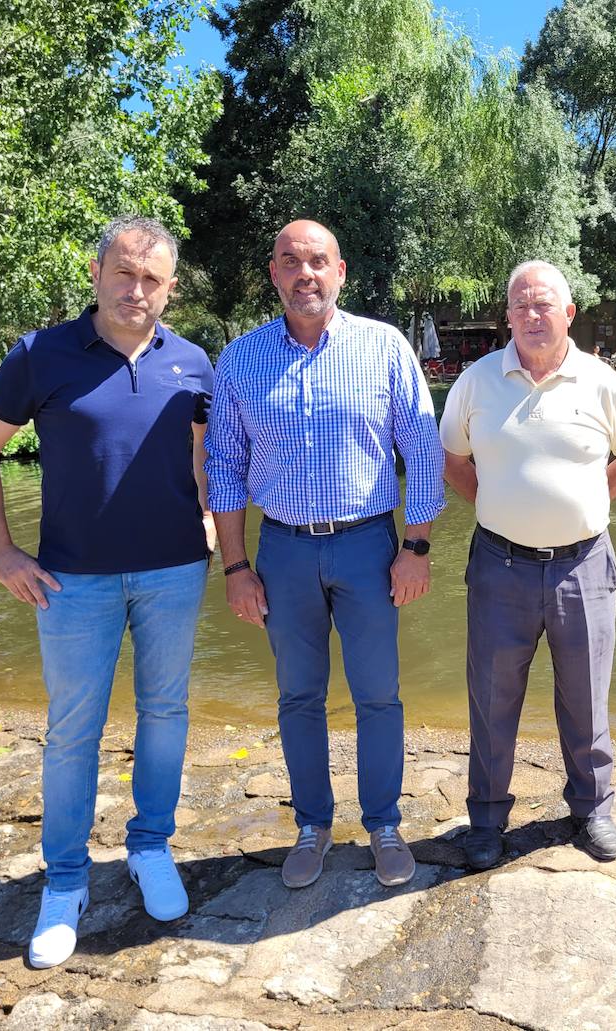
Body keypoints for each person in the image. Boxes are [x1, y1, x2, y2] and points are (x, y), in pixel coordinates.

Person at [0, 215, 215, 969]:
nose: (137, 289)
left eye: (153, 279)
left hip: (173, 573)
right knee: (74, 730)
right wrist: (0, 550)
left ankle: (150, 847)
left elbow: (208, 455)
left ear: (170, 289)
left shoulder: (194, 362)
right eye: (125, 273)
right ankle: (65, 879)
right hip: (72, 581)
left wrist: (204, 516)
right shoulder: (42, 355)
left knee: (166, 712)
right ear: (98, 274)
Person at [206, 219, 444, 891]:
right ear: (274, 274)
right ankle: (312, 824)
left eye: (317, 261)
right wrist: (235, 565)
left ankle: (384, 822)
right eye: (290, 261)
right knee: (298, 696)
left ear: (341, 272)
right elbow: (224, 467)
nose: (304, 272)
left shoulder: (384, 347)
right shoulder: (242, 360)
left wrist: (417, 548)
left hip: (370, 546)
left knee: (378, 694)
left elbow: (422, 452)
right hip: (281, 550)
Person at [440, 260, 616, 869]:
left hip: (583, 567)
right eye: (521, 305)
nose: (533, 315)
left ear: (569, 314)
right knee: (491, 697)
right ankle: (485, 819)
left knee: (586, 697)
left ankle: (592, 809)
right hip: (498, 567)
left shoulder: (603, 382)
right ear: (507, 315)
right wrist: (502, 510)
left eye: (544, 304)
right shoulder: (476, 382)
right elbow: (455, 461)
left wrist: (584, 507)